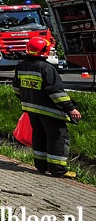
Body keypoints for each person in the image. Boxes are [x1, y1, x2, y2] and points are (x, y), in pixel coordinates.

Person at [12, 37, 82, 177]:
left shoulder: (22, 66)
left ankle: (41, 166)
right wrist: (70, 108)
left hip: (31, 109)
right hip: (50, 111)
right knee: (57, 137)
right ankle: (58, 169)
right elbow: (56, 93)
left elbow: (16, 88)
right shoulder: (47, 68)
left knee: (39, 136)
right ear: (45, 51)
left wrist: (29, 99)